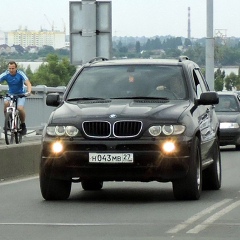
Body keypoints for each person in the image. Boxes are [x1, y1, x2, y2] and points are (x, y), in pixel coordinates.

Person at [0, 61, 32, 135]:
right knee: (6, 104)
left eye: (13, 68)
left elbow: (28, 83)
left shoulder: (20, 74)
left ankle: (23, 125)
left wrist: (29, 92)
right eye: (10, 68)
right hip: (10, 94)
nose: (11, 70)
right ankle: (7, 122)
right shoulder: (6, 74)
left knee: (20, 108)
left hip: (21, 94)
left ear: (16, 68)